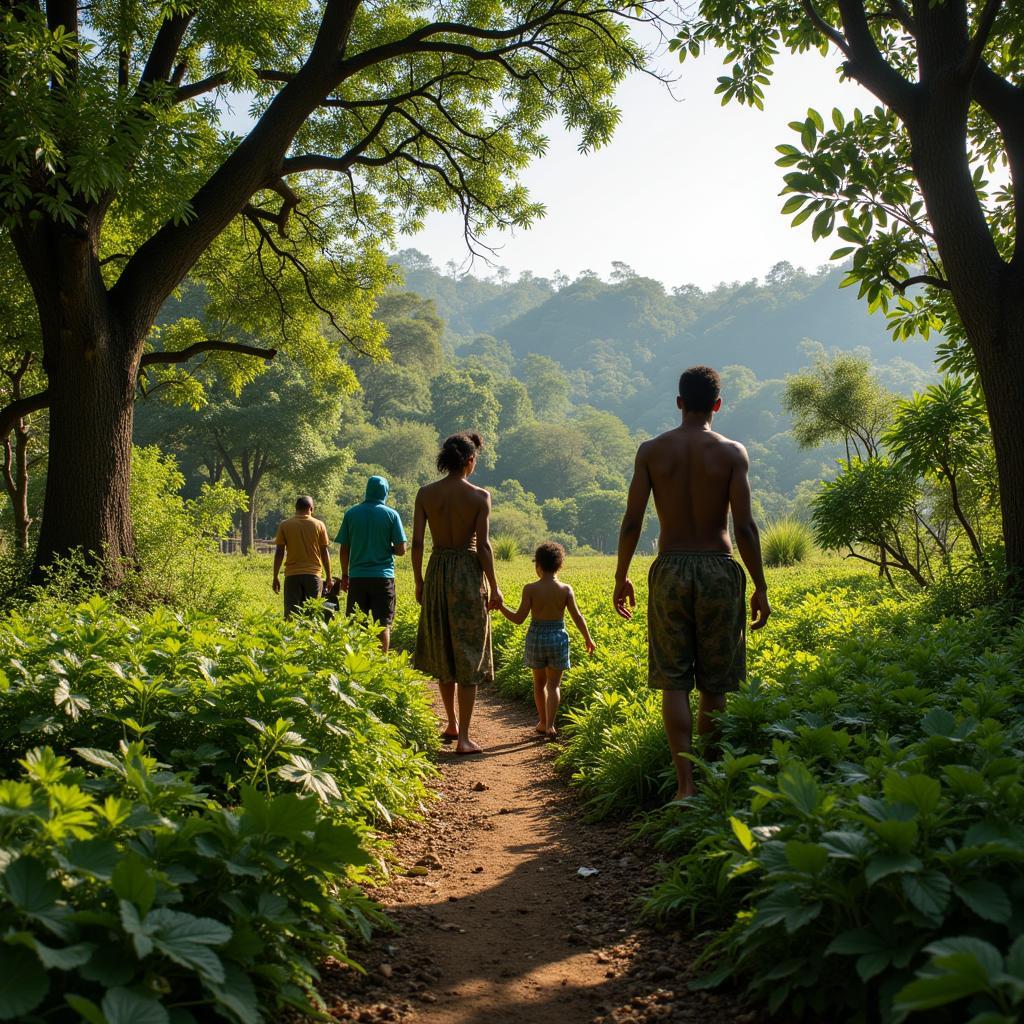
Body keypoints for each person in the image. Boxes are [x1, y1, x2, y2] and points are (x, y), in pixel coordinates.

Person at [613, 366, 771, 801]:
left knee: (675, 682)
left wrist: (622, 575)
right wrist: (759, 584)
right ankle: (714, 777)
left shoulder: (651, 451)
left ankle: (686, 787)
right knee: (715, 684)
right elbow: (746, 528)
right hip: (719, 569)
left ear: (679, 402)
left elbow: (632, 522)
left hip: (669, 569)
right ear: (718, 405)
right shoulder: (732, 453)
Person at [412, 431, 501, 755]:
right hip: (466, 572)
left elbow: (419, 542)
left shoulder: (426, 494)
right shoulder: (479, 496)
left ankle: (450, 723)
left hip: (437, 571)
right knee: (468, 651)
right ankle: (463, 736)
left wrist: (419, 581)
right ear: (469, 460)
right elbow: (484, 546)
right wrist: (494, 585)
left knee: (444, 647)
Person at [498, 541, 595, 739]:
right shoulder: (566, 589)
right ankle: (551, 725)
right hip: (558, 637)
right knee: (554, 685)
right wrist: (588, 638)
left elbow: (518, 619)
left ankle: (542, 722)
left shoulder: (530, 589)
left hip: (536, 637)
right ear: (560, 565)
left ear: (538, 566)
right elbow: (578, 617)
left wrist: (500, 606)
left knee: (539, 684)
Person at [336, 475, 407, 652]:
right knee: (383, 624)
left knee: (355, 624)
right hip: (383, 578)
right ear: (385, 492)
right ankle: (381, 664)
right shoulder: (392, 515)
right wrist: (387, 548)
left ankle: (355, 661)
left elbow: (344, 550)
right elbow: (401, 549)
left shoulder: (351, 513)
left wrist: (345, 575)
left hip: (357, 578)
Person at [273, 496, 333, 618]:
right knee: (314, 614)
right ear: (311, 508)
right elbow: (324, 552)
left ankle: (291, 637)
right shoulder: (319, 525)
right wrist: (329, 577)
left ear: (296, 508)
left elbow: (279, 552)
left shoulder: (285, 525)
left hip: (292, 575)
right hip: (313, 575)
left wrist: (275, 576)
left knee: (291, 615)